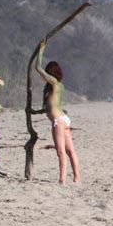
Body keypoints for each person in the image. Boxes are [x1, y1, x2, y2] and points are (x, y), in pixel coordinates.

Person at [35, 41, 80, 184]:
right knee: (70, 151)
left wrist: (41, 50)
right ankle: (77, 178)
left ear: (51, 73)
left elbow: (37, 67)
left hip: (58, 122)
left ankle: (62, 180)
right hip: (64, 119)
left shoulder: (54, 82)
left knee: (61, 152)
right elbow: (52, 105)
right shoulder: (59, 86)